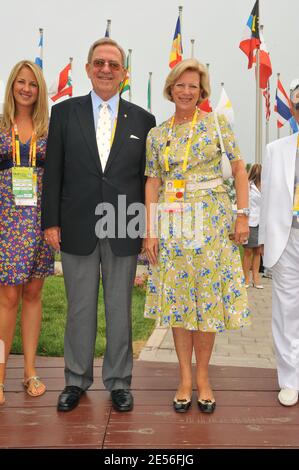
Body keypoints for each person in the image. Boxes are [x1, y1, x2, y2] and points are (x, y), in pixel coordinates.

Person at [42, 38, 156, 413]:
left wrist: (144, 226)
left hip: (125, 225)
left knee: (120, 307)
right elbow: (54, 172)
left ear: (124, 73)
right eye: (99, 63)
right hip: (75, 225)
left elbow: (145, 180)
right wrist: (51, 222)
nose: (106, 69)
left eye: (114, 64)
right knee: (79, 308)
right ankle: (75, 380)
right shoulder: (64, 113)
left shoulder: (143, 119)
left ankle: (120, 382)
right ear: (88, 69)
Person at [144, 59, 251, 414]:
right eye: (180, 85)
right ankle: (184, 378)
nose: (186, 91)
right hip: (173, 225)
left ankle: (203, 378)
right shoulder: (157, 135)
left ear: (201, 91)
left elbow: (238, 169)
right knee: (179, 302)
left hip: (213, 223)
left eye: (193, 86)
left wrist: (242, 216)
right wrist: (151, 229)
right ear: (170, 88)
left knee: (206, 300)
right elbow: (153, 182)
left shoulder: (217, 124)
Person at [0, 60, 54, 406]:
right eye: (20, 82)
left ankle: (30, 372)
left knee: (33, 294)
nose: (26, 89)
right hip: (5, 220)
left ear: (40, 90)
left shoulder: (49, 129)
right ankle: (0, 374)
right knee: (7, 298)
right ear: (11, 86)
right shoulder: (1, 126)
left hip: (39, 219)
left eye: (32, 84)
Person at [259, 79, 299, 407]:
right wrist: (266, 248)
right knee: (287, 311)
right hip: (289, 239)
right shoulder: (276, 151)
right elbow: (270, 200)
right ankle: (290, 379)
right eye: (298, 104)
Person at [242, 163, 263, 288]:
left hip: (262, 222)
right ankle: (246, 278)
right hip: (250, 222)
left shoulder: (266, 187)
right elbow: (245, 205)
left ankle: (256, 278)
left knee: (258, 251)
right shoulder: (248, 186)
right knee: (248, 251)